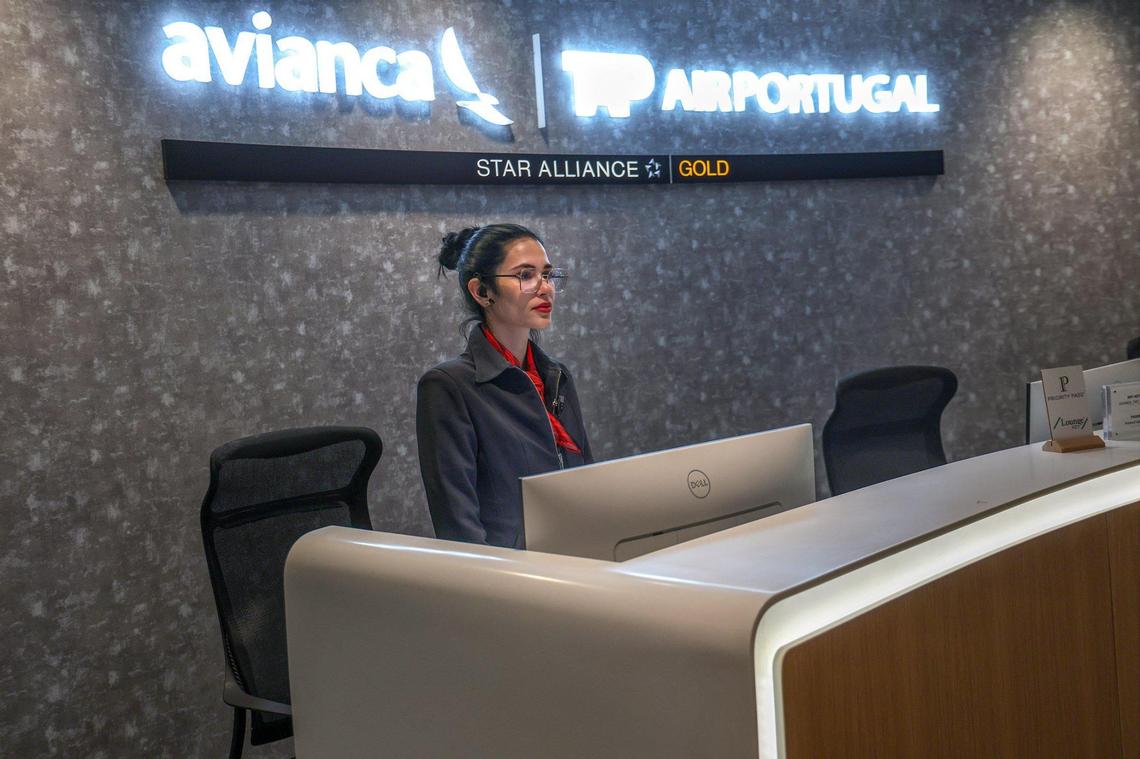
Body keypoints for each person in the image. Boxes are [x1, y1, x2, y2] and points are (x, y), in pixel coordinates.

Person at [416, 224, 593, 548]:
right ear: (482, 292)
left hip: (576, 564)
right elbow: (459, 530)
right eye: (526, 275)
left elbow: (590, 487)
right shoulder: (448, 386)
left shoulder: (557, 376)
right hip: (508, 583)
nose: (546, 288)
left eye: (548, 275)